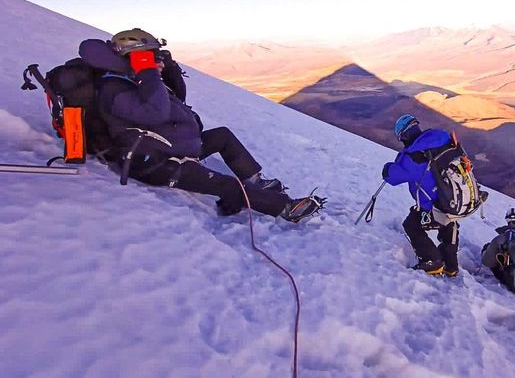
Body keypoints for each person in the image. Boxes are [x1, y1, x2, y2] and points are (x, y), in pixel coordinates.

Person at [79, 28, 324, 222]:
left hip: (172, 146)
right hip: (154, 163)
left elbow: (176, 99)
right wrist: (149, 72)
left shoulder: (132, 78)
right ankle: (286, 209)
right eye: (152, 55)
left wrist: (168, 69)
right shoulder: (115, 89)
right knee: (224, 184)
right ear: (136, 56)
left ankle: (256, 182)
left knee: (222, 136)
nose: (157, 60)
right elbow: (156, 113)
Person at [381, 115, 464, 276]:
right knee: (448, 223)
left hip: (432, 205)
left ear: (403, 135)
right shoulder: (441, 140)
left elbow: (393, 177)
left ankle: (431, 261)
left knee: (412, 225)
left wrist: (387, 168)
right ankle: (451, 266)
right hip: (453, 199)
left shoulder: (414, 155)